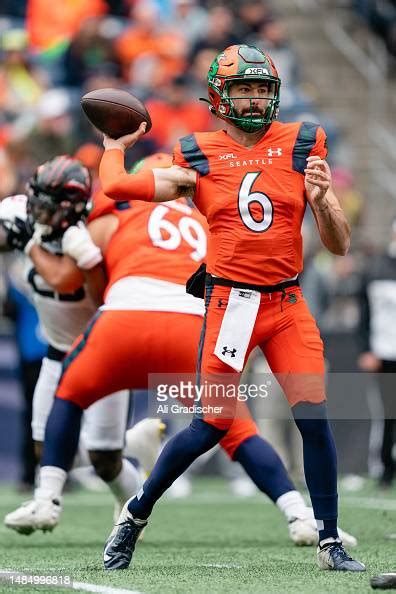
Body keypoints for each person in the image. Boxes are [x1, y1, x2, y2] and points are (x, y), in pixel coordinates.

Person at [97, 45, 365, 572]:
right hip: (232, 305)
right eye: (243, 88)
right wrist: (113, 145)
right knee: (211, 425)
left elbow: (338, 245)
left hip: (287, 304)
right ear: (220, 96)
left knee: (314, 417)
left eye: (262, 88)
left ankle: (329, 541)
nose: (254, 98)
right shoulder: (196, 154)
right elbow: (115, 185)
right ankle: (134, 513)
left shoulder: (302, 143)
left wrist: (325, 198)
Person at [10, 153, 357, 546]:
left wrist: (41, 242)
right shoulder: (208, 220)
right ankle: (298, 514)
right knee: (237, 431)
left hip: (124, 319)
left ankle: (48, 498)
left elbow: (76, 276)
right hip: (190, 326)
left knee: (67, 395)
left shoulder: (117, 214)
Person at [0, 157, 160, 533]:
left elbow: (86, 285)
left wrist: (35, 247)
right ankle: (47, 501)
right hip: (56, 351)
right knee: (44, 449)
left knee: (105, 461)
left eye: (48, 205)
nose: (38, 211)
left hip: (99, 351)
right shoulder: (19, 214)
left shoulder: (97, 230)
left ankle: (128, 491)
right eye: (35, 201)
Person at [358, 219, 396, 488]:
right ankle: (385, 466)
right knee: (388, 413)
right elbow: (364, 314)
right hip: (385, 350)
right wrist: (366, 349)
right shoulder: (376, 268)